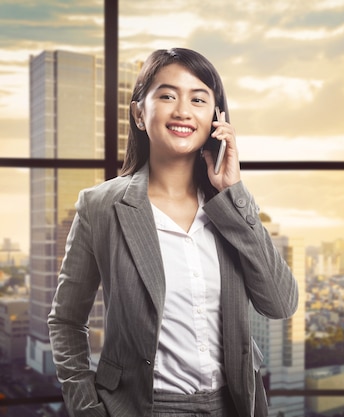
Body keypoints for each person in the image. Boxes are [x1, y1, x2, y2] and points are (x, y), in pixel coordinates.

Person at [48, 48, 299, 417]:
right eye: (167, 96)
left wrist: (234, 193)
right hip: (142, 407)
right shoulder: (100, 206)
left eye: (198, 99)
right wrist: (86, 407)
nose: (183, 111)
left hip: (234, 404)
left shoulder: (230, 208)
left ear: (216, 118)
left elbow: (280, 303)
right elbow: (66, 320)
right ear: (138, 113)